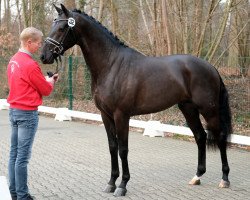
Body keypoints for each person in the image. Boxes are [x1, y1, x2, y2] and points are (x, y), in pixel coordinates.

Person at [7, 27, 58, 200]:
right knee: (22, 158)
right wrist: (50, 81)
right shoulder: (30, 64)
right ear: (29, 42)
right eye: (38, 43)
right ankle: (22, 196)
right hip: (27, 114)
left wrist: (43, 81)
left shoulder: (13, 60)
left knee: (14, 155)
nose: (40, 46)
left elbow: (25, 83)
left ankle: (14, 192)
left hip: (14, 111)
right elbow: (45, 90)